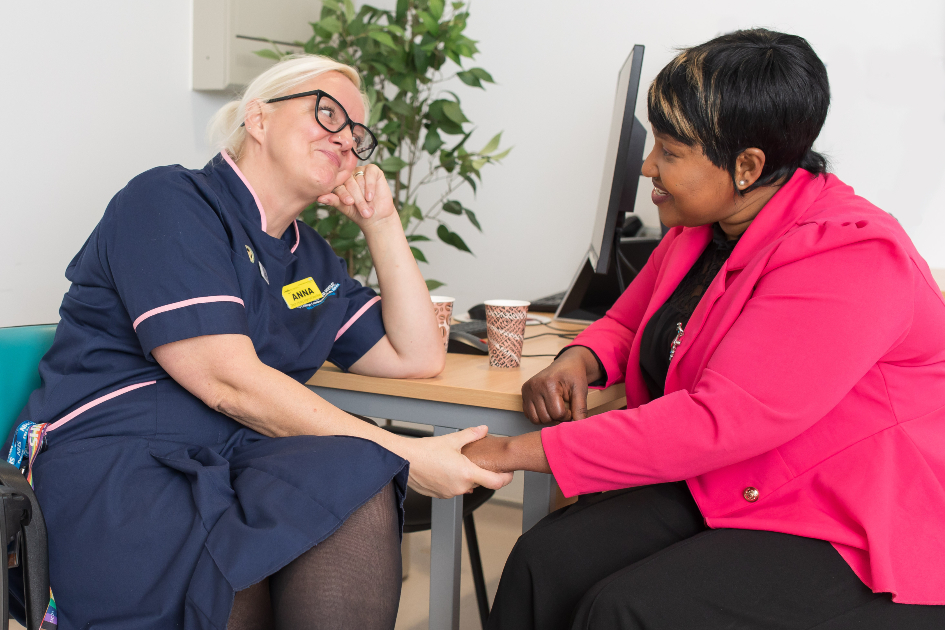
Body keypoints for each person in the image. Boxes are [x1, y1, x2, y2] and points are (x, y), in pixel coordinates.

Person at [462, 29, 945, 629]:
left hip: (850, 511)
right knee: (545, 559)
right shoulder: (701, 228)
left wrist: (514, 452)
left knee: (627, 610)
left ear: (746, 167)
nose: (647, 167)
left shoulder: (850, 255)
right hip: (738, 475)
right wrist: (580, 360)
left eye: (668, 151)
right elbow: (627, 320)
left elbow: (720, 421)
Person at [11, 54, 511, 630]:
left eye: (358, 132)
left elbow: (417, 355)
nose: (347, 139)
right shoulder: (170, 200)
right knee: (254, 569)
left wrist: (382, 223)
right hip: (122, 467)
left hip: (231, 463)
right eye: (328, 114)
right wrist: (406, 454)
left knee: (353, 482)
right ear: (258, 118)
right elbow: (226, 379)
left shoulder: (311, 260)